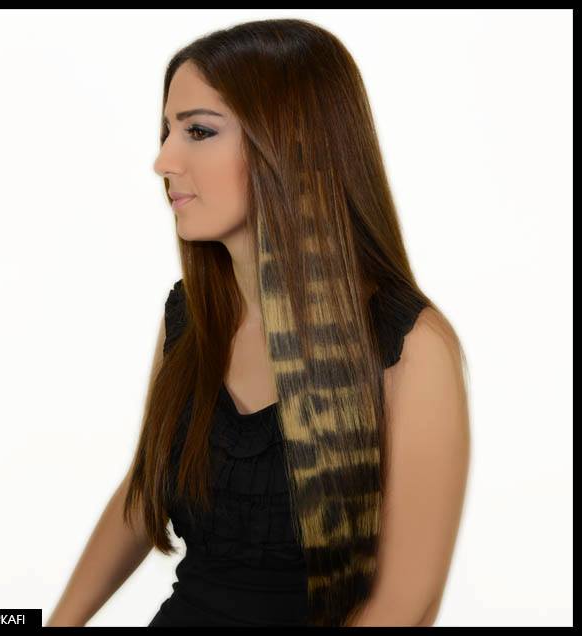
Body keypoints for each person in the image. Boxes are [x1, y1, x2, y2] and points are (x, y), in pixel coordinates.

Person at [46, 18, 470, 627]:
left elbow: (407, 602)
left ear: (290, 142)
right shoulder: (191, 320)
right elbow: (144, 494)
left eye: (198, 131)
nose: (162, 160)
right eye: (167, 131)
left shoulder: (410, 348)